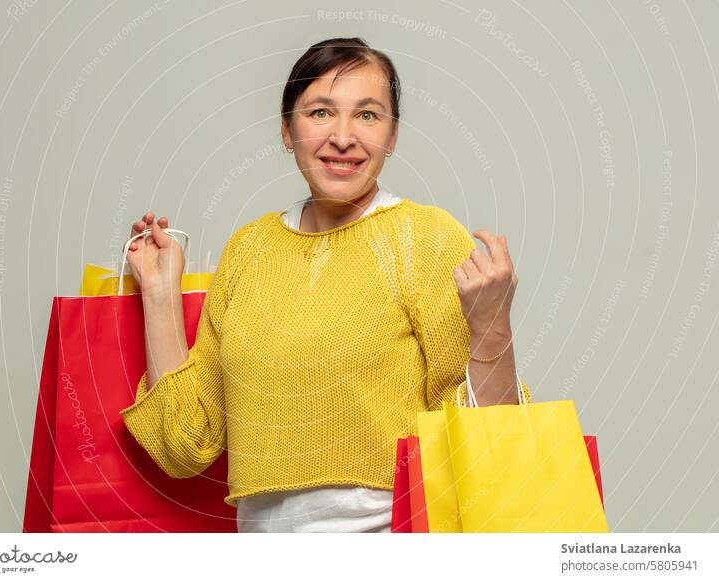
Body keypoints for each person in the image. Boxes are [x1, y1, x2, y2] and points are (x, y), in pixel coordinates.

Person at [119, 37, 531, 533]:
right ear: (286, 130)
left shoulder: (425, 238)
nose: (342, 136)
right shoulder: (249, 249)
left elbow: (492, 441)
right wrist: (160, 293)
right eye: (319, 112)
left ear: (393, 135)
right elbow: (184, 444)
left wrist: (492, 325)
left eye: (367, 115)